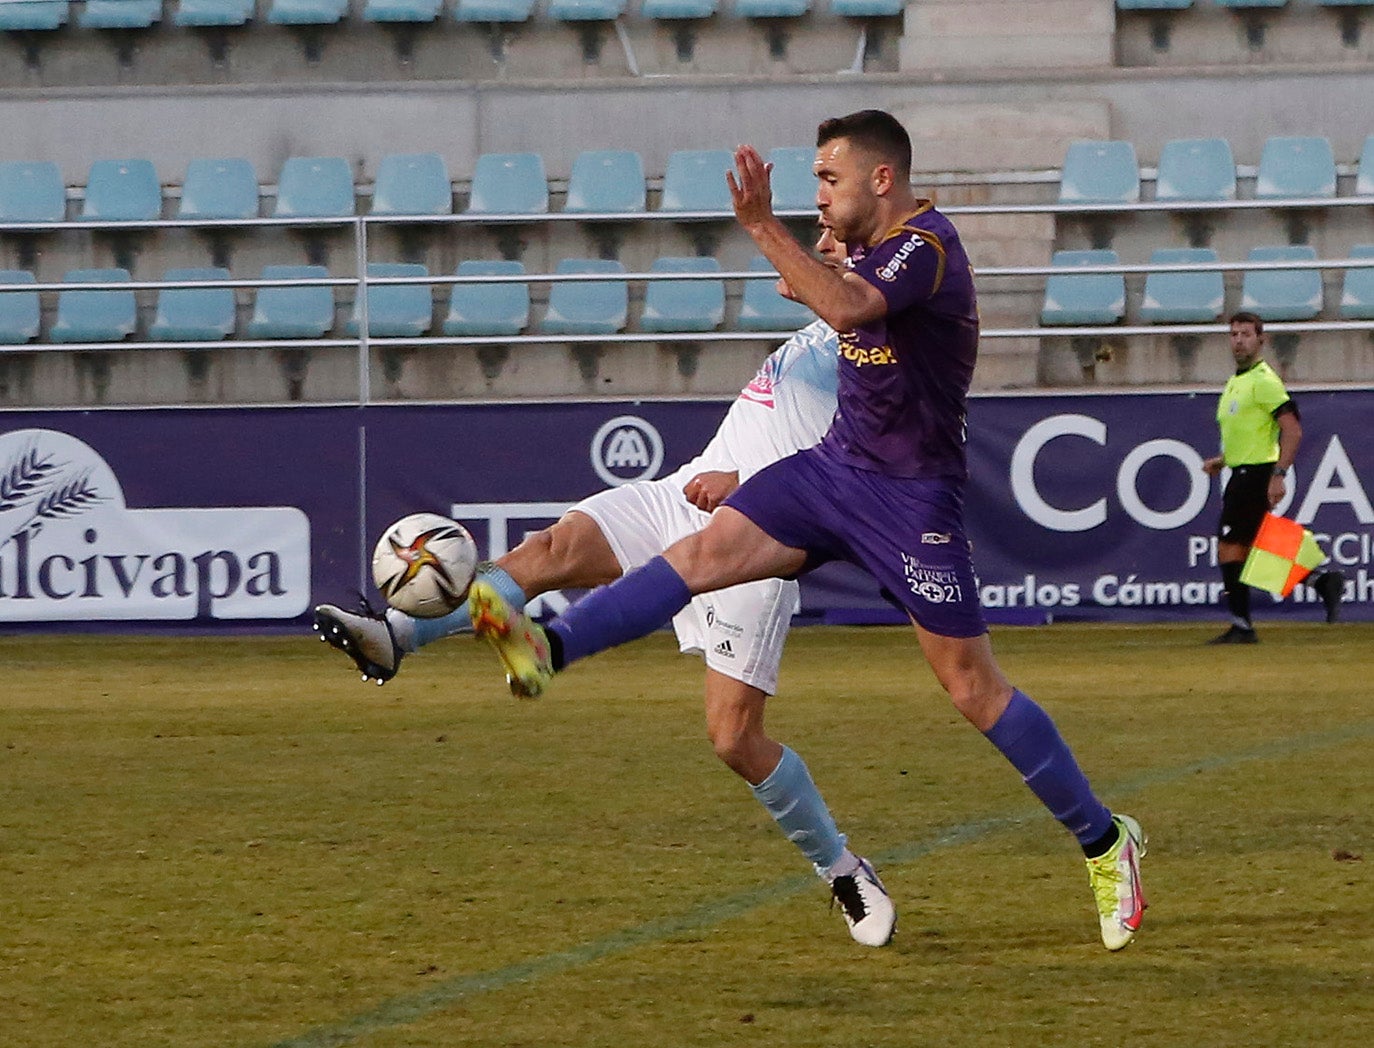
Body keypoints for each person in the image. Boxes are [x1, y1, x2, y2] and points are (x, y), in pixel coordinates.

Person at [468, 109, 1149, 952]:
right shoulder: (872, 250)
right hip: (835, 469)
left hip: (911, 497)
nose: (818, 197)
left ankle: (1105, 841)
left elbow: (853, 304)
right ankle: (549, 650)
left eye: (829, 180)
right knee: (702, 550)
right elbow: (831, 295)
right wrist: (813, 258)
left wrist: (764, 228)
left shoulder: (926, 245)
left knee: (973, 689)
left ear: (882, 180)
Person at [314, 227, 899, 948]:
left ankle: (840, 867)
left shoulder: (894, 368)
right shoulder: (836, 320)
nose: (821, 237)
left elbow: (869, 477)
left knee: (734, 738)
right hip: (681, 498)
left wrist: (749, 485)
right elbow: (805, 285)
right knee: (550, 549)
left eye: (835, 224)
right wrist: (811, 256)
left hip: (758, 535)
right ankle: (396, 637)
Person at [1201, 311, 1345, 644]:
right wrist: (1224, 461)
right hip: (1242, 470)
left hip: (1255, 474)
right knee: (1258, 544)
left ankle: (1243, 626)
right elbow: (1251, 433)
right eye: (1234, 334)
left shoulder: (1265, 381)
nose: (1239, 340)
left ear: (1260, 340)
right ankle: (1322, 582)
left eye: (1246, 334)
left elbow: (1291, 430)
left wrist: (1278, 474)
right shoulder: (1239, 380)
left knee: (1230, 547)